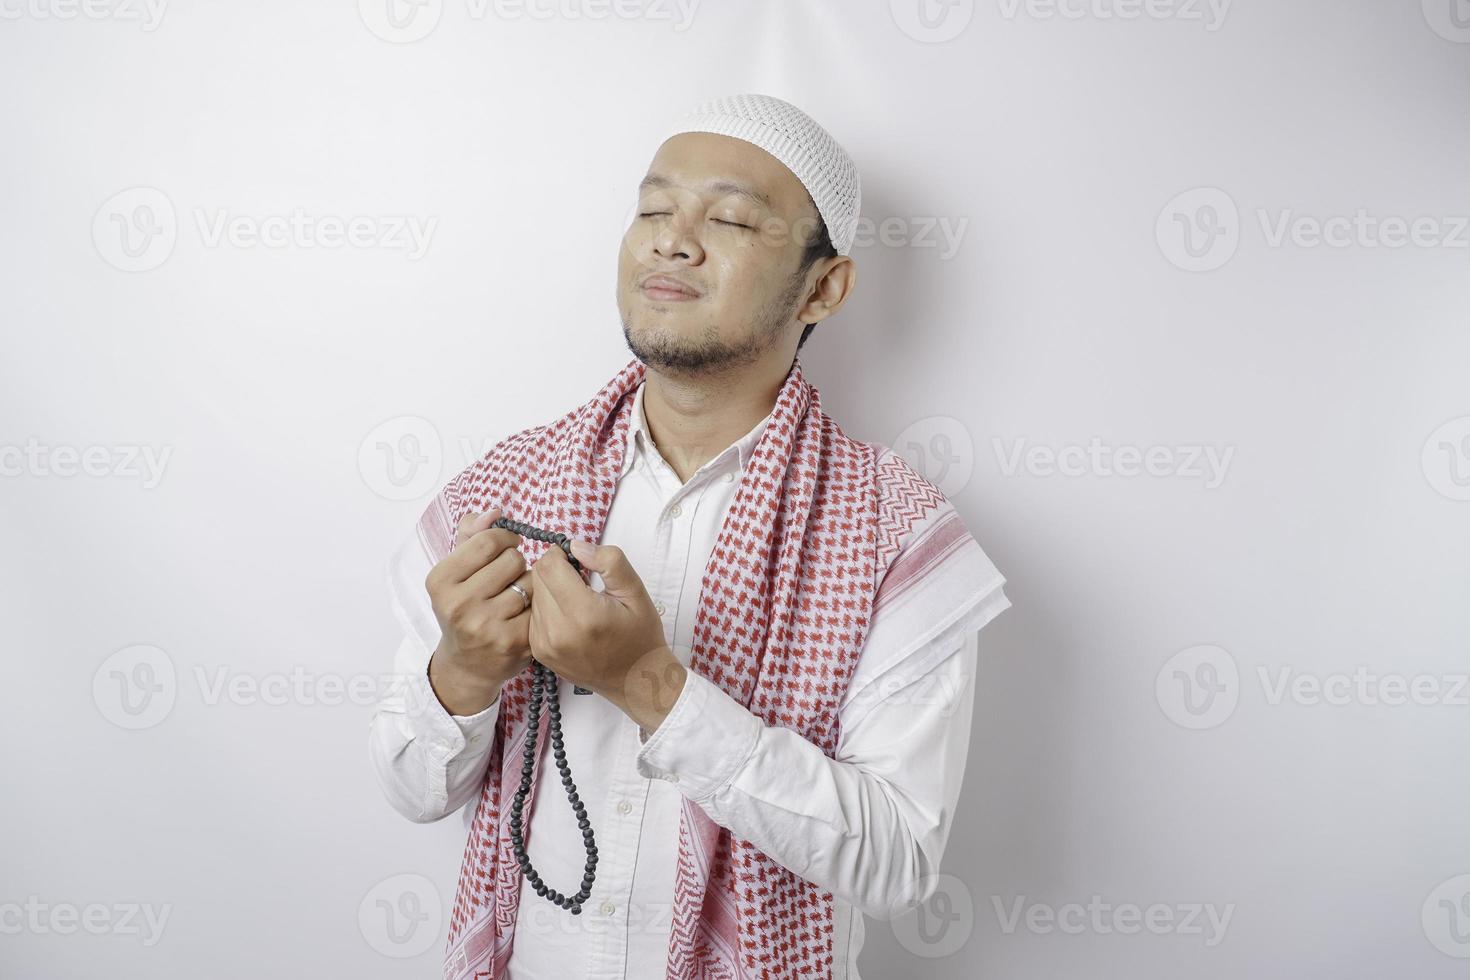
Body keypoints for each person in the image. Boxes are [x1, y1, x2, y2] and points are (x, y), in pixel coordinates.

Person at [368, 93, 1011, 980]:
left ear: (825, 287)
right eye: (652, 210)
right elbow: (413, 791)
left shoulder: (894, 535)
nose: (672, 240)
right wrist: (465, 675)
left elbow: (899, 863)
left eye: (733, 218)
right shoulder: (499, 492)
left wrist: (647, 685)